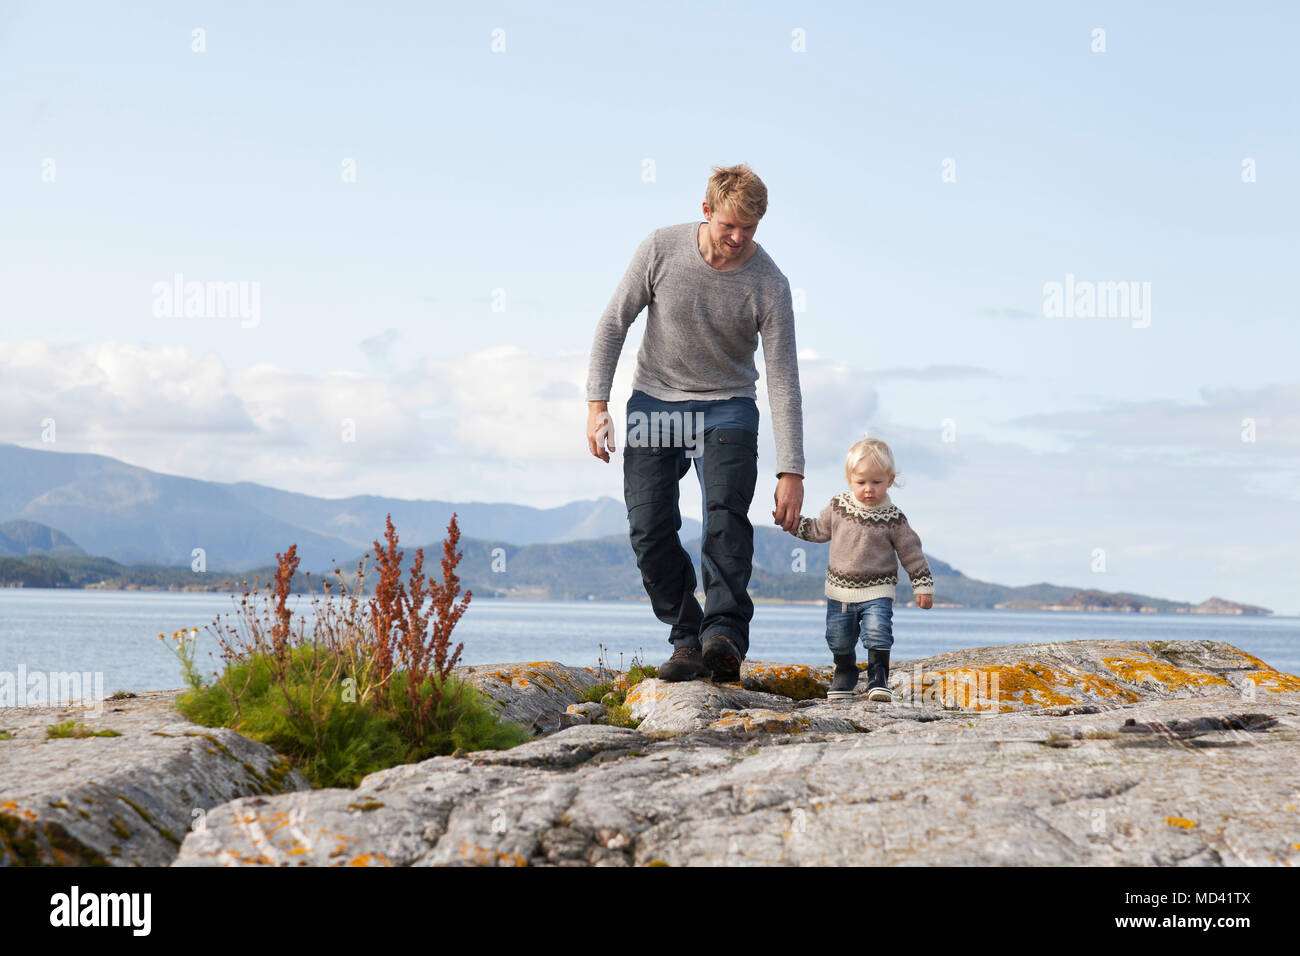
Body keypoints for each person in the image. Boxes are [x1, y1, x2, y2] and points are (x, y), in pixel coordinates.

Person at [585, 164, 805, 683]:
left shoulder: (769, 283)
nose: (738, 238)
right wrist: (598, 406)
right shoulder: (661, 249)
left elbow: (783, 379)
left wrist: (790, 470)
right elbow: (613, 323)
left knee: (725, 517)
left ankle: (723, 636)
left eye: (750, 229)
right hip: (656, 401)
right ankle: (686, 638)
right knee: (648, 526)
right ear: (705, 211)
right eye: (730, 225)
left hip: (727, 405)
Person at [783, 437, 934, 701]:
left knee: (878, 631)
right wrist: (792, 523)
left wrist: (922, 585)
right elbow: (819, 530)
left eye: (876, 482)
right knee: (838, 637)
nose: (868, 489)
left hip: (878, 590)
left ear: (890, 479)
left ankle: (878, 677)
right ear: (849, 479)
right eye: (861, 482)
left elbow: (912, 553)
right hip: (839, 591)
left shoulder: (894, 519)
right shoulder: (838, 507)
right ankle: (844, 671)